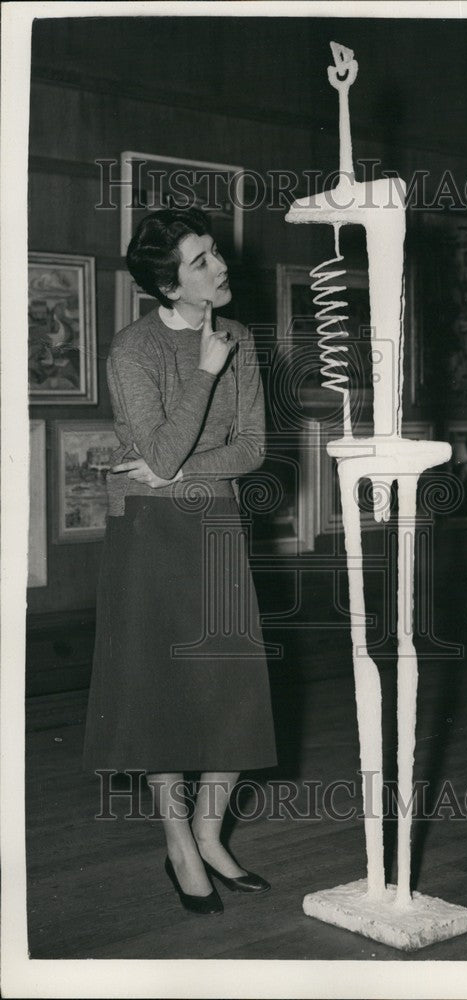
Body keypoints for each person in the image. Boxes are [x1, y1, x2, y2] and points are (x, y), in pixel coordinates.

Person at [83, 208, 277, 914]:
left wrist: (176, 467)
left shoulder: (240, 339)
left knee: (228, 688)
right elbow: (155, 457)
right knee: (162, 693)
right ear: (169, 287)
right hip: (149, 531)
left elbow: (252, 449)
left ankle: (210, 830)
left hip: (215, 520)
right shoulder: (131, 350)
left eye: (215, 252)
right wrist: (202, 372)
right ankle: (178, 843)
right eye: (201, 262)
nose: (220, 266)